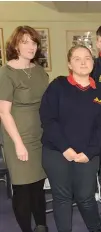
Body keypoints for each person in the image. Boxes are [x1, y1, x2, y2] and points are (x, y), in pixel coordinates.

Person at [40, 45, 101, 232]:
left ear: (93, 63)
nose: (83, 62)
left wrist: (90, 152)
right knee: (62, 197)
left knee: (85, 196)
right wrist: (65, 149)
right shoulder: (58, 85)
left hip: (88, 154)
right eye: (77, 59)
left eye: (87, 58)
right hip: (57, 151)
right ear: (70, 63)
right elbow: (48, 119)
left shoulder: (100, 91)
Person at [0, 25, 49, 232]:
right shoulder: (6, 72)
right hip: (17, 137)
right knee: (22, 188)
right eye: (25, 42)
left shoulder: (39, 71)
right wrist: (19, 144)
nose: (31, 46)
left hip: (40, 136)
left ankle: (41, 226)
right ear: (15, 45)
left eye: (34, 42)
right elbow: (3, 112)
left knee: (38, 185)